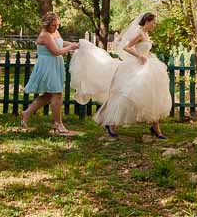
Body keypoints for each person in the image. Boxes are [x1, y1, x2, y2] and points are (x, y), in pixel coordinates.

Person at [72, 12, 172, 140]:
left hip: (147, 66)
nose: (155, 25)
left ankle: (156, 128)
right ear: (147, 21)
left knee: (152, 95)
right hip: (136, 67)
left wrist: (147, 54)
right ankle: (110, 123)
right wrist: (140, 56)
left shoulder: (146, 34)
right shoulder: (139, 33)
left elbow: (143, 48)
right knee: (124, 96)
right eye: (154, 22)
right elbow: (126, 47)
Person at [20, 12, 79, 135]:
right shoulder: (45, 35)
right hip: (47, 65)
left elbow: (61, 43)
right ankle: (58, 124)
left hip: (55, 65)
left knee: (48, 95)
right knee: (57, 94)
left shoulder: (54, 32)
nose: (56, 28)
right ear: (47, 25)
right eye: (53, 25)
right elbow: (56, 51)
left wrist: (76, 45)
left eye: (57, 25)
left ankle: (26, 113)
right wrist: (71, 48)